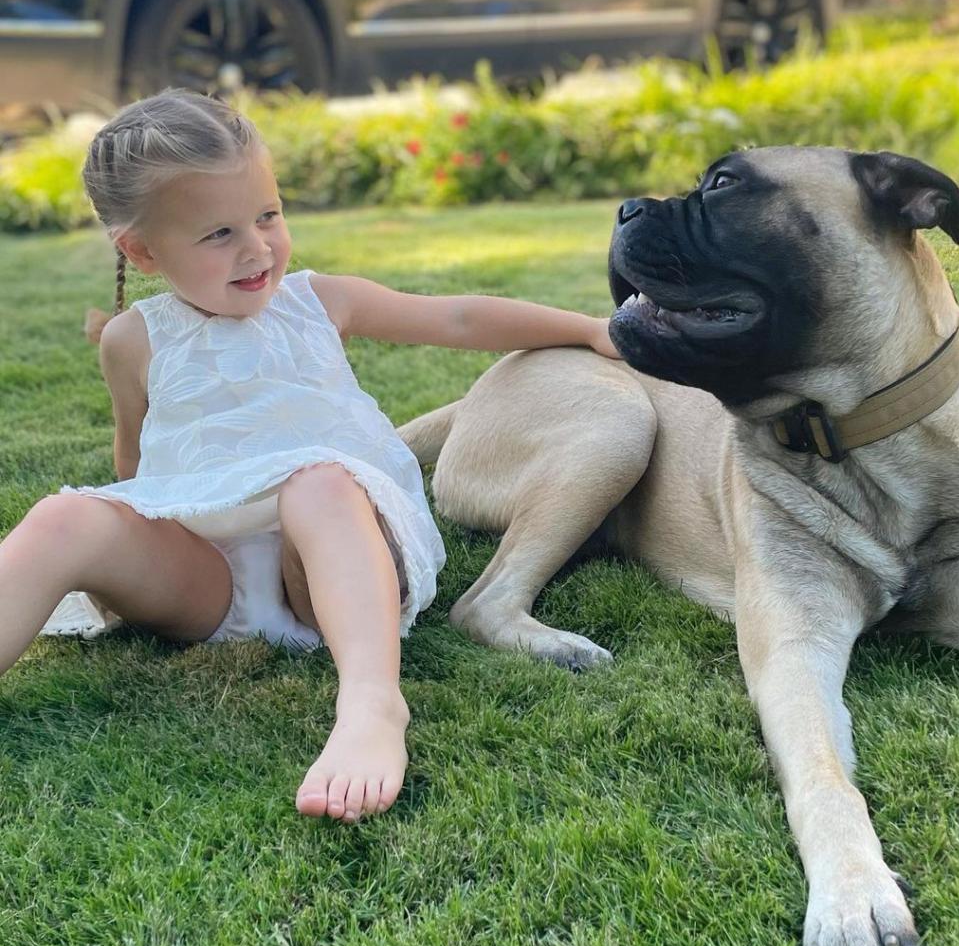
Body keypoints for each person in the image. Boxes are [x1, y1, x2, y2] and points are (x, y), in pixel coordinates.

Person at [0, 89, 620, 824]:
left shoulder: (315, 301)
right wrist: (118, 560)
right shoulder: (131, 340)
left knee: (315, 482)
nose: (258, 247)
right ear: (142, 251)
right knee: (62, 515)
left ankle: (371, 707)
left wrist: (589, 330)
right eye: (220, 233)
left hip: (335, 556)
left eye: (269, 215)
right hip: (213, 585)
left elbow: (453, 315)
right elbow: (136, 462)